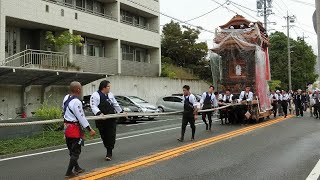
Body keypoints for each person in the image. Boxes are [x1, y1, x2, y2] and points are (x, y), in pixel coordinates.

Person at [63, 81, 96, 178]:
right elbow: (81, 117)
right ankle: (68, 173)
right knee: (76, 151)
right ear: (78, 89)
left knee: (71, 149)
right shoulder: (77, 102)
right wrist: (90, 129)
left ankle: (76, 168)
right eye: (80, 88)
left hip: (67, 127)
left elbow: (64, 110)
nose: (81, 89)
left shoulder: (66, 98)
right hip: (75, 129)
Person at [90, 80, 123, 161]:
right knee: (104, 136)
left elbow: (115, 104)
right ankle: (108, 147)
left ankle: (109, 152)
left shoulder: (110, 95)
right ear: (103, 87)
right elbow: (93, 106)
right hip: (101, 119)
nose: (109, 88)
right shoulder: (95, 95)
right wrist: (99, 113)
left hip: (111, 119)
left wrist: (121, 112)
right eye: (108, 86)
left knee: (111, 135)